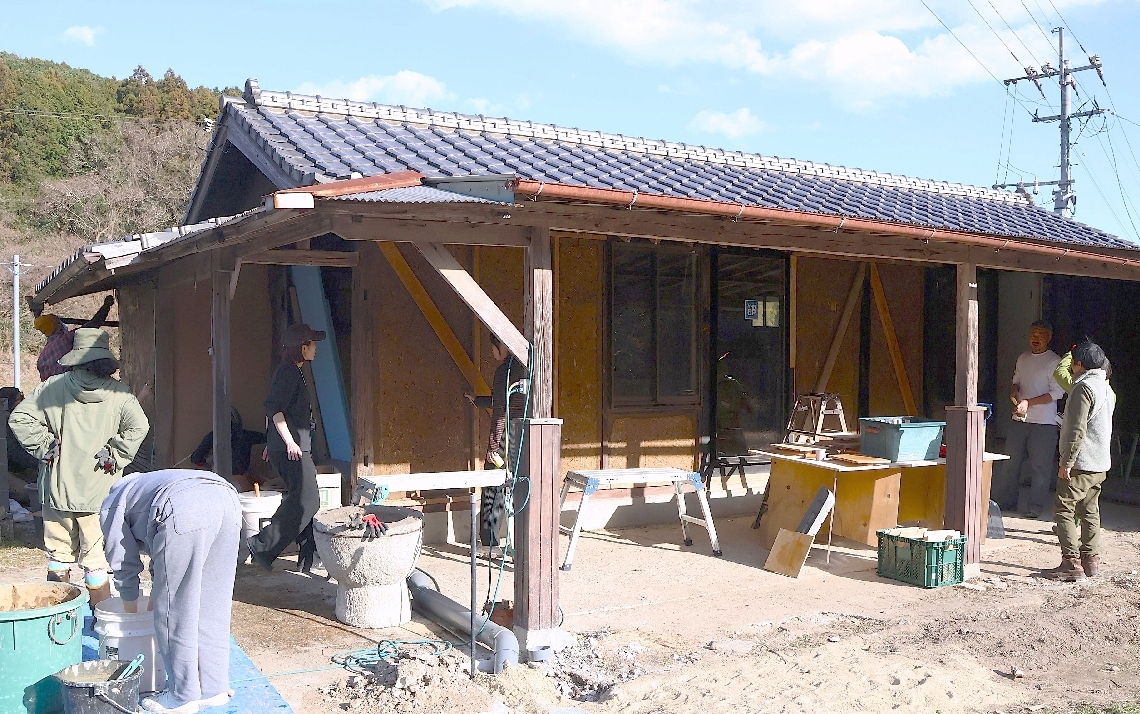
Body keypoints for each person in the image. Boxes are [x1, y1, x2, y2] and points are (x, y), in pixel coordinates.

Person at [9, 328, 149, 607]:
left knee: (58, 556)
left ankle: (54, 617)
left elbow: (19, 418)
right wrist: (115, 453)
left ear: (75, 357)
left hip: (57, 489)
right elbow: (139, 427)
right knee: (96, 561)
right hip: (101, 493)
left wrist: (46, 446)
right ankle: (101, 618)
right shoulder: (120, 394)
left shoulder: (52, 388)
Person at [100, 468, 241, 714]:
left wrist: (131, 609)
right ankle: (214, 689)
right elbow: (161, 557)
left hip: (183, 506)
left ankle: (181, 697)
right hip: (228, 499)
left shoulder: (112, 503)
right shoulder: (147, 487)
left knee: (174, 611)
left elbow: (122, 561)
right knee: (213, 603)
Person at [246, 323, 323, 573]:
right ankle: (261, 545)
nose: (315, 348)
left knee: (302, 499)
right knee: (308, 501)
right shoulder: (289, 372)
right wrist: (287, 442)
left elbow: (275, 409)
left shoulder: (292, 371)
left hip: (290, 446)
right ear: (302, 347)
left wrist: (273, 441)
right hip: (294, 449)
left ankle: (309, 557)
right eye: (312, 344)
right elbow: (273, 408)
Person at [1042, 340, 1115, 581]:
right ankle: (1091, 560)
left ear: (1079, 364)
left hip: (1081, 462)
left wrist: (1066, 462)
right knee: (1090, 509)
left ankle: (1071, 562)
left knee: (1064, 508)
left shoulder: (1083, 388)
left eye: (1073, 363)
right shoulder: (1106, 388)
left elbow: (1076, 428)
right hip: (1100, 461)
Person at [464, 333, 527, 548]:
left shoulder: (504, 371)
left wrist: (493, 447)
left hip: (505, 437)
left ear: (502, 345)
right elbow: (505, 400)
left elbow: (501, 411)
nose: (492, 353)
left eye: (493, 348)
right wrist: (478, 400)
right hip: (526, 436)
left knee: (493, 487)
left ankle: (489, 541)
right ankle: (519, 540)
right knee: (515, 486)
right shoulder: (526, 368)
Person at [1001, 320, 1066, 518]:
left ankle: (1035, 506)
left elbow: (1057, 393)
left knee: (1040, 467)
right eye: (1033, 335)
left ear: (1049, 338)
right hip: (1020, 419)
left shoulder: (1054, 362)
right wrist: (1014, 393)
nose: (1036, 339)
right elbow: (1016, 381)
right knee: (1010, 463)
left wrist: (1028, 402)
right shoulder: (1023, 358)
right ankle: (1006, 502)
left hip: (1044, 422)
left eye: (1040, 335)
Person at [33, 295, 115, 381]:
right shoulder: (65, 340)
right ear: (58, 326)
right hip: (73, 386)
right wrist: (106, 306)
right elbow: (92, 325)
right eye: (59, 322)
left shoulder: (41, 359)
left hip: (55, 389)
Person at [190, 407, 266, 492]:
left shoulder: (213, 436)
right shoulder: (248, 435)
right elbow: (268, 438)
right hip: (242, 481)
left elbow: (196, 458)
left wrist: (208, 467)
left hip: (220, 481)